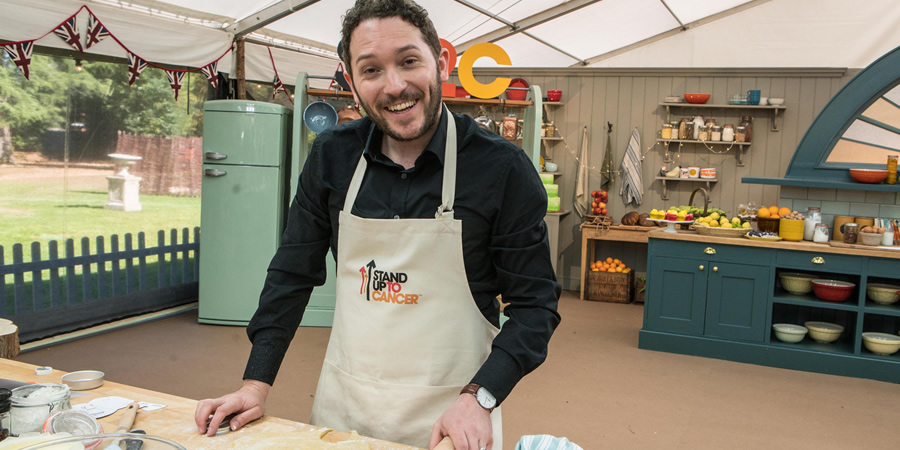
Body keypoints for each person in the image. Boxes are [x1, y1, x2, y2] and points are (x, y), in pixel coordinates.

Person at [194, 1, 560, 448]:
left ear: (441, 63)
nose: (394, 86)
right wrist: (255, 383)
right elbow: (291, 275)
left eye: (409, 61)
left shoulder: (501, 170)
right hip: (344, 415)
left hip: (453, 423)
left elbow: (536, 305)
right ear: (351, 81)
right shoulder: (332, 157)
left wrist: (479, 398)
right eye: (371, 70)